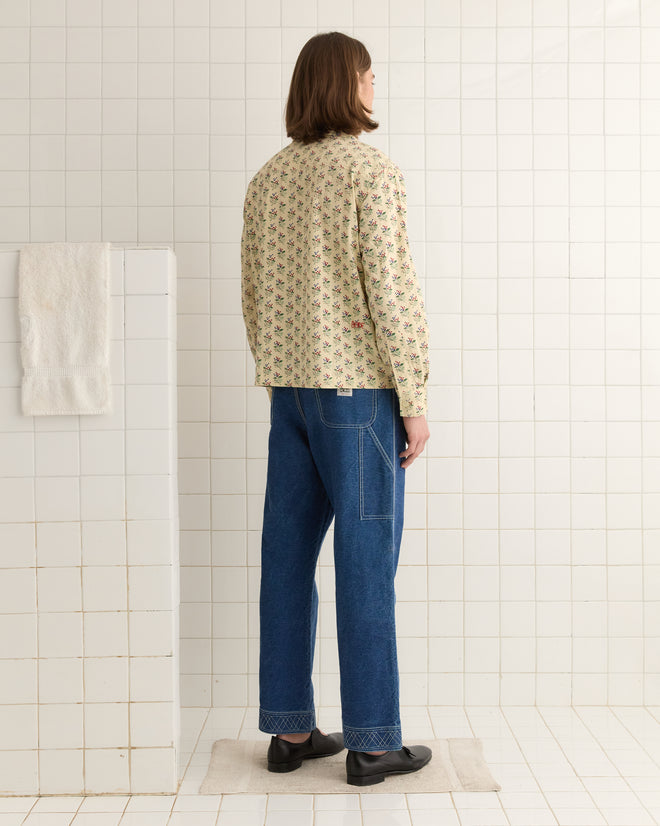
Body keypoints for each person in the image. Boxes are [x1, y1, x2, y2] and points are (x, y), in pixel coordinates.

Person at [240, 31, 431, 787]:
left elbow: (252, 294)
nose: (374, 84)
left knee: (286, 557)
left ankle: (289, 732)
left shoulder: (268, 179)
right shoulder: (369, 171)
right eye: (367, 74)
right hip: (358, 398)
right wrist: (413, 398)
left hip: (289, 393)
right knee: (365, 562)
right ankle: (374, 743)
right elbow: (392, 290)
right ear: (343, 84)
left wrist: (280, 369)